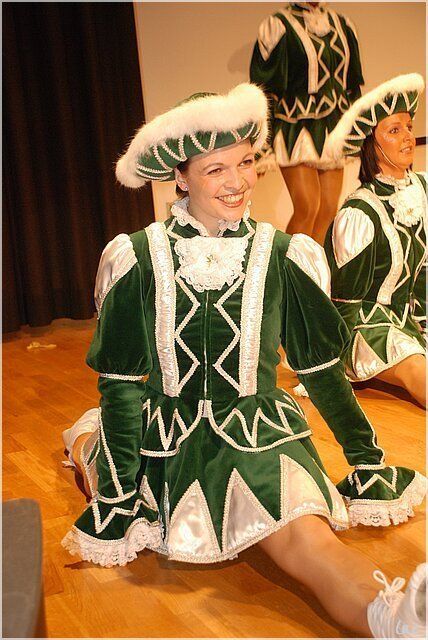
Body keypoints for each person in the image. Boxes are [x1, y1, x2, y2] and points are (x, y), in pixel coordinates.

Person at [61, 84, 426, 637]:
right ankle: (82, 442)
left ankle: (395, 617)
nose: (238, 181)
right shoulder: (137, 256)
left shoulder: (283, 254)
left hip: (260, 436)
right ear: (180, 177)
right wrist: (116, 495)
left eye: (247, 162)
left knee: (311, 541)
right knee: (91, 447)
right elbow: (121, 385)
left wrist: (366, 459)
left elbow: (321, 372)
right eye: (216, 169)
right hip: (164, 443)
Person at [324, 73, 426, 408]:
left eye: (408, 126)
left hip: (413, 319)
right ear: (371, 143)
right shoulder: (359, 212)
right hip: (368, 325)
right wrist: (330, 365)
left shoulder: (423, 189)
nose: (408, 136)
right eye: (394, 130)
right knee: (416, 368)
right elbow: (344, 302)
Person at [250, 2, 364, 244]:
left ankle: (317, 266)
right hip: (294, 128)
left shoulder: (342, 24)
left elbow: (352, 85)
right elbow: (263, 89)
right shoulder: (278, 25)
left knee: (329, 208)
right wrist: (262, 144)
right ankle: (291, 267)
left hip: (333, 127)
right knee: (308, 206)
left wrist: (359, 129)